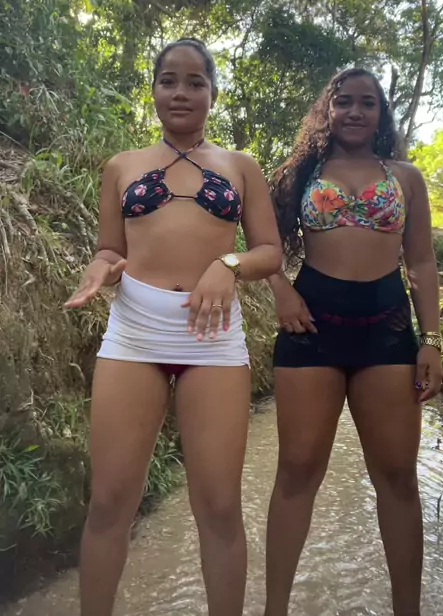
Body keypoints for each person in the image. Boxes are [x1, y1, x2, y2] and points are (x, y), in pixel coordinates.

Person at [64, 37, 282, 616]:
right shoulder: (122, 166)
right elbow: (110, 249)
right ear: (155, 90)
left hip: (214, 341)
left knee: (219, 508)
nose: (180, 92)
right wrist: (99, 271)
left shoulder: (240, 167)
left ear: (213, 93)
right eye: (168, 81)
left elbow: (268, 252)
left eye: (195, 82)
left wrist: (227, 264)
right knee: (109, 502)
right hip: (133, 334)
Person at [264, 67, 443, 616]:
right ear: (328, 109)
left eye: (368, 102)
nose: (356, 111)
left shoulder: (406, 177)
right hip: (310, 329)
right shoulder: (301, 172)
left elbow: (421, 261)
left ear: (382, 113)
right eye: (344, 101)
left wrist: (432, 340)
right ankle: (274, 610)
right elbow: (262, 241)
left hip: (387, 331)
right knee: (297, 472)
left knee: (398, 477)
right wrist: (281, 291)